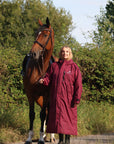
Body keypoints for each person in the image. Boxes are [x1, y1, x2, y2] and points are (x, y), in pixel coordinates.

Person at [39, 46, 82, 144]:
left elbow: (78, 85)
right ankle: (61, 141)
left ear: (70, 53)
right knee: (58, 120)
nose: (65, 53)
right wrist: (44, 80)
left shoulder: (74, 67)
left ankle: (67, 141)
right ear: (60, 53)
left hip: (69, 99)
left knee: (67, 120)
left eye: (67, 52)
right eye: (63, 52)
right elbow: (48, 77)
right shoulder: (54, 66)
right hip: (56, 98)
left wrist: (77, 99)